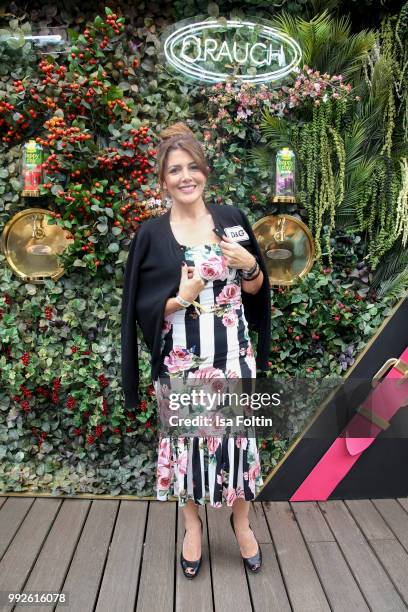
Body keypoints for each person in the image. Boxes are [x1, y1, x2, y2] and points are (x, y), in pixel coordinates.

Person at [121, 122, 271, 579]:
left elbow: (257, 290)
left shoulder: (232, 220)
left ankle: (242, 523)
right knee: (184, 447)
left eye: (193, 167)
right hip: (181, 362)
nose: (186, 177)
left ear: (205, 172)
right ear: (163, 181)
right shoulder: (151, 234)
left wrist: (249, 268)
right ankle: (192, 528)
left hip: (234, 357)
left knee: (239, 444)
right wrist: (182, 296)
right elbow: (141, 306)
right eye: (175, 170)